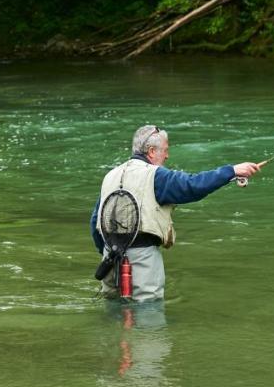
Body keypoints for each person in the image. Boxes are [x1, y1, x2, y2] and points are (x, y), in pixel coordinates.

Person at [90, 125, 264, 301]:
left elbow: (95, 222)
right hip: (143, 261)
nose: (167, 156)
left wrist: (108, 253)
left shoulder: (110, 176)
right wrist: (231, 171)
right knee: (148, 319)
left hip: (109, 260)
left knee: (113, 315)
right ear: (151, 151)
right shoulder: (156, 176)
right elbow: (193, 185)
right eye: (165, 150)